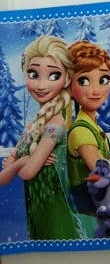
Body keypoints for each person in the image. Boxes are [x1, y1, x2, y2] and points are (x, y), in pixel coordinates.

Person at [0, 35, 83, 239]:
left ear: (67, 79)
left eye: (53, 75)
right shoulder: (31, 127)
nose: (41, 85)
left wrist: (20, 162)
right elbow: (3, 178)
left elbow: (28, 172)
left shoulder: (56, 125)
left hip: (56, 210)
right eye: (33, 74)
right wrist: (25, 161)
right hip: (36, 210)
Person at [67, 40, 110, 236]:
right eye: (84, 81)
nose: (95, 90)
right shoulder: (82, 132)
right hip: (86, 220)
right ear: (69, 87)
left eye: (103, 79)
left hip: (96, 215)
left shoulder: (94, 128)